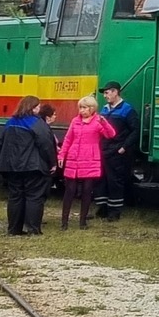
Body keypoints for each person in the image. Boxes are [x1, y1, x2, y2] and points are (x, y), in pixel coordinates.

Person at [0, 95, 57, 237]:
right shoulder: (37, 123)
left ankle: (14, 229)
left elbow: (3, 141)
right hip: (32, 166)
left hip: (11, 166)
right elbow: (46, 144)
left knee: (15, 197)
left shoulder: (10, 122)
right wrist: (52, 162)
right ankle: (33, 230)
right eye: (38, 107)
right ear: (33, 108)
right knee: (34, 197)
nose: (39, 109)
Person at [56, 95, 106, 230]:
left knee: (87, 190)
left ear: (92, 108)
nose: (81, 110)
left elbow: (110, 134)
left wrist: (104, 123)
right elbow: (68, 139)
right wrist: (61, 155)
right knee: (70, 190)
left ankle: (82, 221)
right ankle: (64, 222)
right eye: (80, 108)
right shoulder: (75, 121)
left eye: (84, 108)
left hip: (89, 159)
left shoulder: (97, 122)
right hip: (74, 158)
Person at [97, 81, 135, 221]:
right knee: (102, 180)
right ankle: (103, 208)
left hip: (117, 151)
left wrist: (124, 147)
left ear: (115, 92)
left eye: (107, 92)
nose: (105, 96)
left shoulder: (127, 109)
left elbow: (135, 130)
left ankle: (115, 211)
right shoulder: (105, 109)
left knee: (115, 181)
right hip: (104, 150)